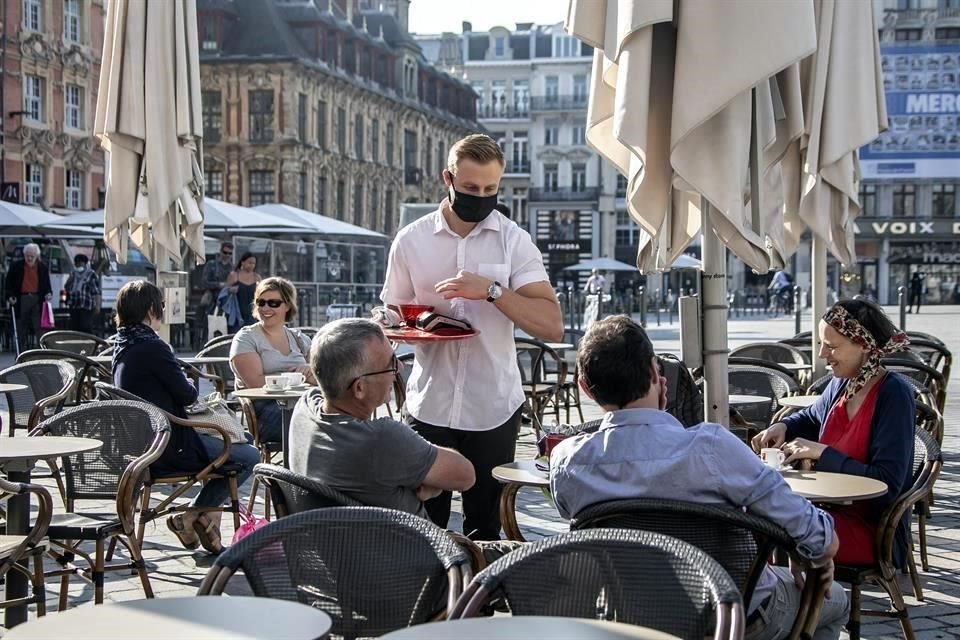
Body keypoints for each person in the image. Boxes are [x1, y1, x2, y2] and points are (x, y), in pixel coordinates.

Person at [551, 315, 848, 640]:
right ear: (655, 372)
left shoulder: (569, 461)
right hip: (734, 618)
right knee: (836, 601)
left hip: (632, 619)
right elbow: (821, 537)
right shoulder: (713, 447)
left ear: (584, 388)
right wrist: (813, 555)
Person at [381, 133, 564, 540]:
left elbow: (552, 324)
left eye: (490, 189)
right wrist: (406, 326)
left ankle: (479, 603)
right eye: (469, 188)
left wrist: (493, 291)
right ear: (447, 178)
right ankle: (434, 602)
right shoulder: (411, 240)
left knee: (486, 528)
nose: (480, 197)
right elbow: (391, 317)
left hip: (493, 406)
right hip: (429, 403)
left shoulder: (514, 240)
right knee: (422, 529)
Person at [753, 299, 916, 568]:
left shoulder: (894, 394)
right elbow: (811, 416)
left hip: (870, 529)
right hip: (827, 514)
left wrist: (823, 453)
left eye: (831, 346)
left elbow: (887, 484)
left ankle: (794, 605)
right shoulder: (842, 383)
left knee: (774, 532)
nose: (821, 355)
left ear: (863, 346)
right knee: (753, 520)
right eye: (821, 344)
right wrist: (783, 427)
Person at [112, 280, 259, 554]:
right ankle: (193, 516)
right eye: (161, 306)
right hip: (169, 445)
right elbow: (188, 396)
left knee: (242, 440)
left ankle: (202, 521)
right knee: (250, 455)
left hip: (142, 444)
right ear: (150, 310)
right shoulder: (153, 348)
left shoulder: (122, 345)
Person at [288, 318, 475, 517]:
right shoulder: (383, 439)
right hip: (412, 546)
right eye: (391, 364)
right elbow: (465, 475)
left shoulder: (305, 408)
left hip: (330, 543)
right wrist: (424, 483)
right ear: (359, 388)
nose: (400, 369)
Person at [230, 277, 314, 443]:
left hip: (302, 404)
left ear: (287, 305)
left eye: (273, 303)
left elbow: (321, 376)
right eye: (261, 302)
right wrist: (295, 377)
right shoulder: (246, 338)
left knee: (342, 412)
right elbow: (255, 383)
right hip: (266, 410)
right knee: (321, 424)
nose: (265, 308)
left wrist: (310, 373)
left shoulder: (298, 338)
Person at [5, 243, 53, 350]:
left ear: (37, 256)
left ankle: (42, 352)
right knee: (20, 327)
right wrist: (10, 296)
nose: (29, 258)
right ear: (24, 255)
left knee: (39, 327)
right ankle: (21, 353)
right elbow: (8, 284)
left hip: (38, 299)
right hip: (21, 298)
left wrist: (49, 293)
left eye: (32, 256)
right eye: (27, 256)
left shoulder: (42, 267)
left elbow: (47, 284)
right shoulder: (16, 266)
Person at [63, 254, 100, 333]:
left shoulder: (91, 274)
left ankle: (88, 344)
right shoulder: (73, 273)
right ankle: (77, 344)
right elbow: (67, 287)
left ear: (85, 264)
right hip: (74, 306)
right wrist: (70, 280)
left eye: (81, 263)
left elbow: (96, 292)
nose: (79, 265)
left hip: (87, 306)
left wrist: (97, 306)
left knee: (85, 327)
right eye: (77, 263)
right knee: (75, 328)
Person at [225, 252, 261, 332]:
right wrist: (231, 290)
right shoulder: (234, 275)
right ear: (243, 262)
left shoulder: (256, 277)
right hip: (236, 313)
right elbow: (224, 292)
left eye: (254, 263)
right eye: (249, 262)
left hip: (252, 314)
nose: (251, 265)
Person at [201, 242, 234, 313]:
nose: (227, 255)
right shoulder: (211, 265)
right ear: (221, 252)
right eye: (225, 252)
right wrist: (219, 284)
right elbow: (204, 283)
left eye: (230, 253)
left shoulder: (233, 267)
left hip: (227, 302)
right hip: (212, 301)